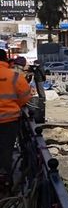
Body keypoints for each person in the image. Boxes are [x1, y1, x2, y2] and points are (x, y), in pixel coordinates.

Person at [0, 49, 34, 194]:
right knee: (6, 151)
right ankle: (4, 181)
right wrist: (15, 105)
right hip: (9, 121)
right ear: (6, 61)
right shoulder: (14, 76)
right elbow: (25, 96)